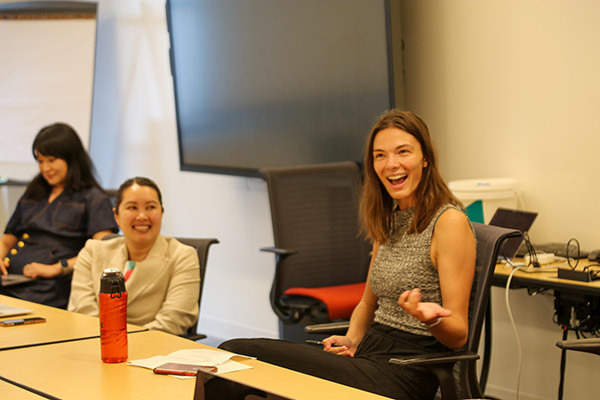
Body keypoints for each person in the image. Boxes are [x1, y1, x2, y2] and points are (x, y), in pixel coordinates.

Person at [219, 110, 476, 399]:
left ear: (425, 158)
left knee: (235, 354)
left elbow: (459, 335)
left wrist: (431, 318)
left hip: (408, 371)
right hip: (369, 355)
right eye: (380, 156)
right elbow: (367, 303)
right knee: (233, 365)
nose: (391, 164)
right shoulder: (389, 218)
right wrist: (352, 338)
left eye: (403, 152)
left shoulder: (449, 222)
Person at [0, 123, 118, 309]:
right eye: (40, 161)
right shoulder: (34, 192)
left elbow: (103, 251)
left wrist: (56, 268)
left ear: (71, 159)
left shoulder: (93, 198)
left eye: (52, 160)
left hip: (50, 287)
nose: (46, 168)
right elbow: (7, 239)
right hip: (11, 280)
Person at [68, 177, 200, 335]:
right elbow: (82, 311)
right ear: (116, 216)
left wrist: (121, 342)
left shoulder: (183, 256)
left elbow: (173, 320)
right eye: (132, 207)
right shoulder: (92, 251)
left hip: (155, 349)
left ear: (161, 213)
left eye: (151, 207)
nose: (142, 216)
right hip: (96, 343)